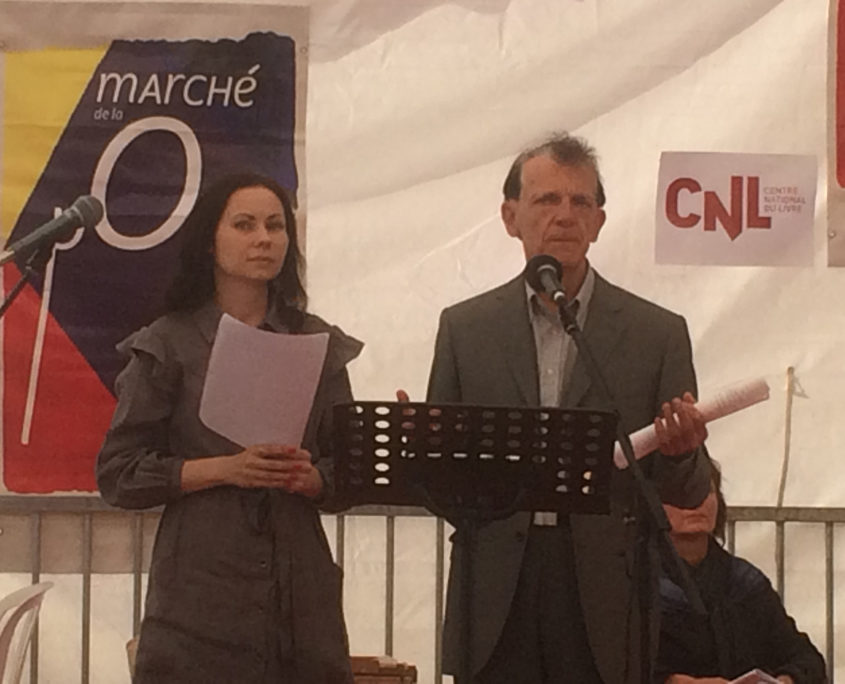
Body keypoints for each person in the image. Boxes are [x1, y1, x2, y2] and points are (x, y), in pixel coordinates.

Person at [425, 133, 712, 684]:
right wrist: (423, 448)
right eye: (547, 200)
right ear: (510, 217)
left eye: (581, 201)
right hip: (495, 591)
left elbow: (684, 489)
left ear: (599, 222)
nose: (565, 215)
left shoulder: (656, 334)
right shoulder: (465, 329)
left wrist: (682, 452)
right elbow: (443, 488)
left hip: (605, 596)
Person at [96, 172, 361, 683]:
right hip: (200, 589)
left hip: (297, 589)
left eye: (275, 226)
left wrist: (315, 479)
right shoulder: (169, 342)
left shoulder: (314, 340)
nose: (264, 238)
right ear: (209, 241)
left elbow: (349, 471)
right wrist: (225, 469)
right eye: (244, 225)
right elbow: (118, 473)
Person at [656, 460, 826, 684]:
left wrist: (786, 680)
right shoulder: (631, 586)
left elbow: (805, 658)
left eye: (704, 490)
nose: (695, 503)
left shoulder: (745, 582)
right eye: (680, 492)